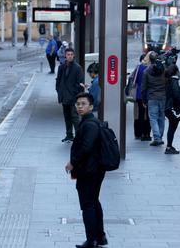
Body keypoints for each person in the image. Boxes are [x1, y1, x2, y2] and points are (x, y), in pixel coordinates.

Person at [65, 92, 108, 248]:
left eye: (83, 104)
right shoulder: (90, 122)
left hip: (89, 171)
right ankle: (100, 237)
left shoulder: (89, 124)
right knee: (94, 202)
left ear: (91, 106)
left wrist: (72, 163)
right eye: (78, 104)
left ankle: (92, 240)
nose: (80, 107)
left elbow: (86, 147)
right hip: (94, 170)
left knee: (87, 205)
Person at [56, 48, 84, 142]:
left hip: (73, 97)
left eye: (72, 54)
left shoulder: (77, 68)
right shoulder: (61, 67)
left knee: (75, 117)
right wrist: (59, 91)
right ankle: (69, 135)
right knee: (67, 116)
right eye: (68, 54)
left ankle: (78, 136)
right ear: (65, 56)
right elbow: (58, 80)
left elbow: (80, 83)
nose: (70, 56)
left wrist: (74, 92)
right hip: (64, 96)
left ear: (74, 55)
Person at [141, 52, 167, 146]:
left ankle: (157, 137)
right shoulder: (164, 69)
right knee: (161, 118)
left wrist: (144, 100)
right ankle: (160, 136)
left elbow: (144, 88)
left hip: (152, 97)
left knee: (153, 118)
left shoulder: (147, 71)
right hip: (163, 96)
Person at [127, 54, 152, 140]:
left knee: (140, 114)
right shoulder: (152, 67)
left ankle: (140, 134)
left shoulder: (139, 67)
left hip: (140, 93)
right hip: (150, 94)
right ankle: (147, 134)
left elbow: (135, 80)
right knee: (149, 114)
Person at [164, 64, 180, 154]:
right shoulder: (174, 81)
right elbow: (177, 95)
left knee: (171, 127)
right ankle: (169, 147)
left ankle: (169, 146)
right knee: (172, 127)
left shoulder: (168, 80)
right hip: (174, 107)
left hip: (169, 107)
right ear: (176, 72)